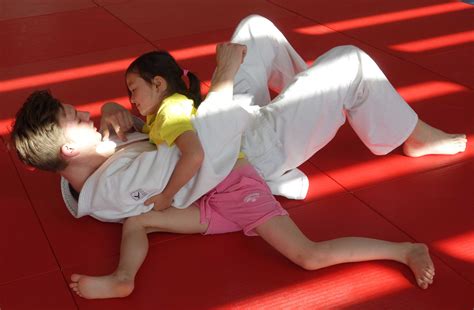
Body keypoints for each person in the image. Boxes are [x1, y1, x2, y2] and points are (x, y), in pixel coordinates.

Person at [11, 15, 467, 300]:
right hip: (246, 149)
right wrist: (225, 74)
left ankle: (316, 101)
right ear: (67, 149)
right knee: (351, 60)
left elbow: (145, 127)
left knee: (255, 27)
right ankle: (406, 131)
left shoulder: (85, 165)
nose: (87, 113)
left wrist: (117, 111)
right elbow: (197, 152)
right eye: (77, 117)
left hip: (231, 125)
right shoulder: (111, 189)